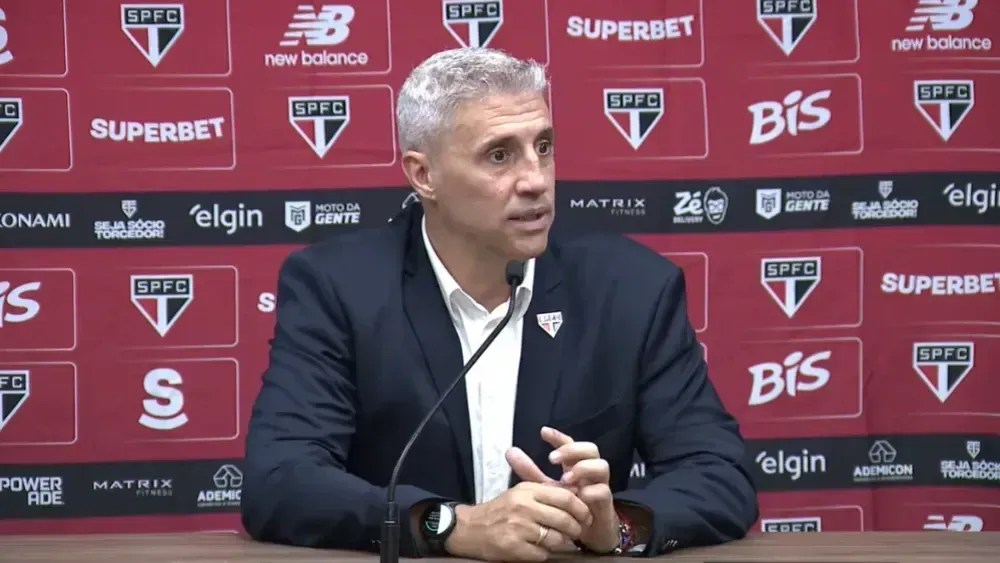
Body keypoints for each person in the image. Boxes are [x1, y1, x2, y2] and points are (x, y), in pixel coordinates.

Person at [241, 47, 758, 561]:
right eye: (499, 155)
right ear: (424, 176)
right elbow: (280, 480)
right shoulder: (339, 288)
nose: (536, 180)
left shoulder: (630, 288)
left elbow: (719, 475)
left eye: (544, 147)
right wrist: (449, 525)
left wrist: (615, 526)